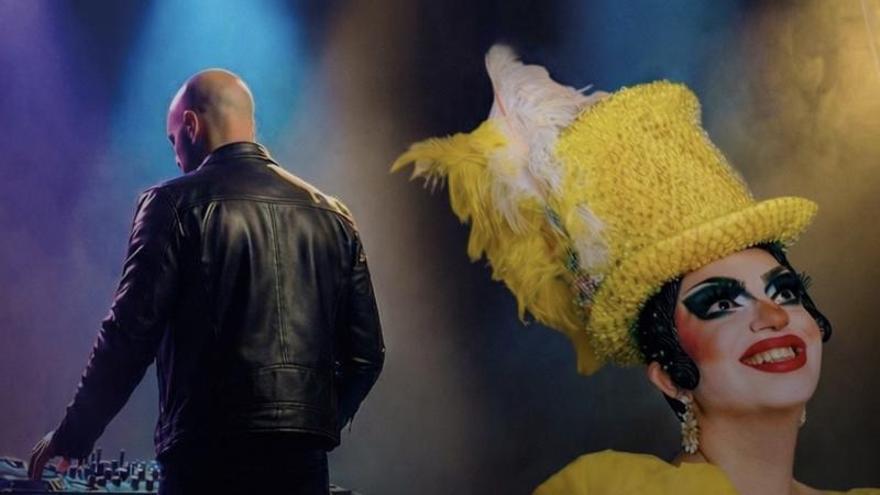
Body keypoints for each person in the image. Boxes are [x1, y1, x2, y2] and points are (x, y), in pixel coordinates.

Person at [392, 46, 878, 494]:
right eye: (723, 302)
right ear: (668, 374)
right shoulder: (607, 488)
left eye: (787, 292)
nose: (775, 315)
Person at [29, 69, 385, 495]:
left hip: (206, 462)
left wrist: (73, 435)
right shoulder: (335, 217)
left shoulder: (172, 205)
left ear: (191, 126)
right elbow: (366, 356)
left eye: (173, 140)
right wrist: (310, 424)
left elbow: (128, 335)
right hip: (304, 464)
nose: (177, 156)